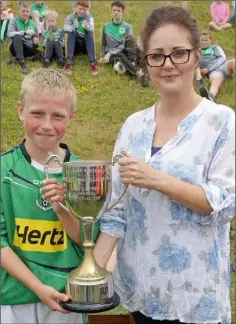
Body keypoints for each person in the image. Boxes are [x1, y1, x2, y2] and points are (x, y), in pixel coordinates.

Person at [94, 5, 235, 324]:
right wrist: (91, 271)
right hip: (141, 293)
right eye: (157, 55)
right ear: (146, 62)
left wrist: (156, 179)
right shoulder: (133, 126)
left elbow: (224, 204)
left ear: (197, 56)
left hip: (194, 298)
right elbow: (116, 210)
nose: (168, 64)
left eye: (179, 53)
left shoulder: (221, 122)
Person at [1, 68, 99, 324]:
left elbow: (88, 241)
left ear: (71, 117)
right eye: (37, 113)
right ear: (21, 110)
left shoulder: (84, 173)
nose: (46, 125)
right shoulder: (3, 169)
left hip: (68, 300)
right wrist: (37, 287)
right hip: (14, 299)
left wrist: (62, 209)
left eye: (57, 116)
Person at [99, 1, 149, 87]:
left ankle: (143, 71)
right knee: (119, 55)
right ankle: (137, 74)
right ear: (111, 12)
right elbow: (103, 43)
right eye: (114, 10)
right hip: (112, 56)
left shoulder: (127, 27)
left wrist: (110, 53)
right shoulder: (106, 26)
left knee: (137, 44)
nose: (116, 12)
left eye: (118, 10)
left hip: (124, 51)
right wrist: (103, 55)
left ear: (123, 13)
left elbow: (125, 44)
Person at [7, 1, 42, 74]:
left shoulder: (32, 24)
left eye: (27, 11)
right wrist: (25, 32)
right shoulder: (14, 21)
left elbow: (34, 41)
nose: (25, 13)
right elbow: (9, 34)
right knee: (17, 36)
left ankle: (18, 59)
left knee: (41, 54)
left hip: (26, 48)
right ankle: (22, 64)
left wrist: (35, 41)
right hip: (15, 47)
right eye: (23, 11)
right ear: (19, 11)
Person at [63, 0, 98, 75]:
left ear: (87, 10)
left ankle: (92, 63)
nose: (82, 11)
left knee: (89, 33)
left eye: (84, 9)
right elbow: (64, 28)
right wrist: (73, 26)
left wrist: (87, 27)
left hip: (85, 47)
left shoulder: (89, 17)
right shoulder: (70, 17)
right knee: (71, 32)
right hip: (74, 46)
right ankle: (69, 62)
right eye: (80, 9)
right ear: (76, 7)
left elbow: (92, 29)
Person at [199, 29, 235, 101]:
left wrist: (208, 69)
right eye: (202, 40)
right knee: (215, 82)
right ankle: (210, 98)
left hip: (224, 65)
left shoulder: (215, 48)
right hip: (214, 73)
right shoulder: (197, 51)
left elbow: (223, 58)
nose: (204, 42)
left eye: (206, 40)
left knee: (234, 61)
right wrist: (200, 71)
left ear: (210, 40)